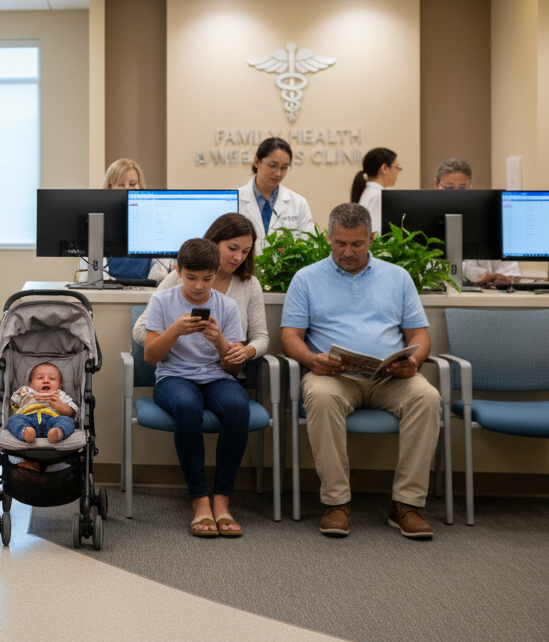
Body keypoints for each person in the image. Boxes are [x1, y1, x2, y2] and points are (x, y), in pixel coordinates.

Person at [280, 203, 441, 540]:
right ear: (328, 238)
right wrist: (311, 360)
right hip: (334, 376)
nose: (348, 252)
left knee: (427, 397)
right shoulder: (306, 278)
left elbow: (419, 335)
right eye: (340, 243)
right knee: (320, 397)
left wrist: (414, 361)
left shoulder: (397, 277)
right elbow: (290, 337)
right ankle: (336, 503)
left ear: (371, 238)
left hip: (390, 379)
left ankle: (406, 505)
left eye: (357, 244)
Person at [143, 238, 248, 538]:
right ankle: (200, 502)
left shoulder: (227, 306)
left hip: (216, 376)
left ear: (216, 272)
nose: (199, 286)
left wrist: (220, 341)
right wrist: (175, 330)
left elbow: (233, 368)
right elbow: (151, 357)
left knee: (238, 406)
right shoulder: (162, 301)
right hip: (173, 377)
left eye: (206, 278)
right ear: (178, 271)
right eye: (191, 278)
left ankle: (222, 502)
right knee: (188, 408)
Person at [133, 213, 267, 368]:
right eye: (232, 248)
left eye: (245, 251)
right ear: (214, 242)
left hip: (224, 372)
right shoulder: (180, 277)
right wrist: (180, 341)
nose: (238, 257)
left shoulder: (249, 285)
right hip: (179, 371)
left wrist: (248, 350)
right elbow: (139, 331)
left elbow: (261, 337)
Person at [432, 158, 521, 286]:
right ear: (436, 184)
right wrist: (467, 271)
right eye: (449, 187)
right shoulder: (420, 219)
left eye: (463, 188)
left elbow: (512, 272)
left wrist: (497, 279)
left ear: (471, 185)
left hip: (485, 298)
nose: (456, 193)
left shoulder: (490, 219)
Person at [237, 137, 313, 256]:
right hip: (244, 272)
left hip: (286, 274)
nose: (278, 173)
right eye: (272, 166)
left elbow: (309, 245)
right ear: (257, 162)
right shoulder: (236, 199)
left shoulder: (298, 203)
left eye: (284, 168)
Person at [6, 362, 78, 464]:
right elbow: (12, 403)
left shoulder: (59, 395)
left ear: (60, 385)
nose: (46, 381)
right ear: (30, 384)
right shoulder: (26, 391)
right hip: (27, 419)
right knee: (13, 419)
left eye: (52, 379)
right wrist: (28, 396)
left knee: (67, 421)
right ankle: (25, 432)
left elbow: (73, 412)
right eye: (40, 378)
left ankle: (57, 432)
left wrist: (59, 405)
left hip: (53, 420)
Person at [102, 158, 161, 280]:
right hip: (108, 288)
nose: (128, 189)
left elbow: (161, 265)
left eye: (133, 184)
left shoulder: (153, 217)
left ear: (140, 185)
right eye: (121, 185)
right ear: (110, 187)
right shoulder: (98, 220)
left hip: (147, 289)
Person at [351, 147, 401, 236]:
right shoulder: (379, 195)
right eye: (397, 167)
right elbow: (376, 235)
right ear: (384, 168)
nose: (398, 171)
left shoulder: (367, 191)